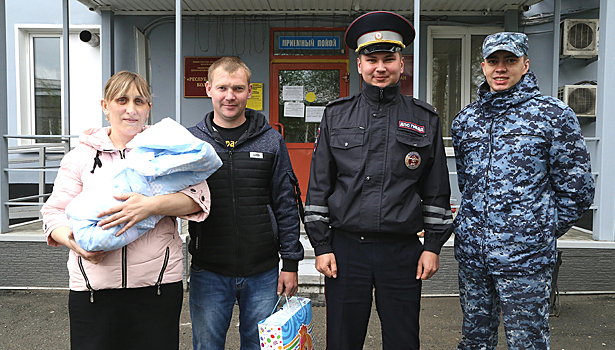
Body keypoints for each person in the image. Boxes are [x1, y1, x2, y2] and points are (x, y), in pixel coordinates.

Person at [304, 11, 453, 350]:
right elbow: (319, 186)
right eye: (372, 59)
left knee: (403, 340)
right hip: (344, 250)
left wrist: (432, 246)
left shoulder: (424, 117)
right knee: (342, 340)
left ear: (402, 63)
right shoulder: (336, 115)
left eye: (389, 59)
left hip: (401, 251)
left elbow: (436, 189)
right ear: (359, 65)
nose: (380, 67)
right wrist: (322, 246)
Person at [41, 71, 212, 350]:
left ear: (149, 109)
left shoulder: (168, 148)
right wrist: (76, 243)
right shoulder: (81, 156)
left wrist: (149, 206)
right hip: (93, 290)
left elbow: (198, 198)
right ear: (105, 106)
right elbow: (54, 213)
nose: (131, 109)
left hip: (156, 288)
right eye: (122, 100)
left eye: (139, 101)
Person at [451, 32, 595, 349]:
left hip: (526, 259)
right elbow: (467, 183)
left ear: (525, 64)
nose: (501, 68)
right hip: (474, 257)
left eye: (510, 60)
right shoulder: (466, 121)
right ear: (483, 66)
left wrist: (536, 229)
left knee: (527, 342)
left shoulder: (553, 115)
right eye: (493, 61)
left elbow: (578, 190)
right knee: (474, 340)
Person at [187, 57, 304, 350]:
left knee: (259, 346)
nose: (230, 96)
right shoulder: (191, 143)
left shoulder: (271, 141)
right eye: (222, 88)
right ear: (208, 89)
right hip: (209, 270)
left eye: (238, 88)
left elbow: (286, 203)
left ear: (249, 90)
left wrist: (290, 263)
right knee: (207, 346)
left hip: (262, 272)